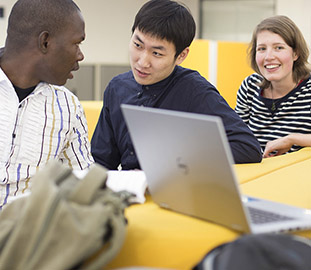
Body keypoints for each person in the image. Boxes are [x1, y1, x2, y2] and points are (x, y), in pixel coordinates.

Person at [91, 0, 262, 170]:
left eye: (157, 53)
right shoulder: (117, 88)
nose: (142, 62)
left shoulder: (195, 91)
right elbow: (102, 160)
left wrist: (177, 159)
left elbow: (247, 147)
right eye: (138, 45)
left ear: (181, 56)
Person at [0, 0, 94, 208]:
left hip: (31, 233)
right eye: (77, 43)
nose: (80, 55)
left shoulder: (69, 106)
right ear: (45, 42)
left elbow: (83, 183)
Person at [235, 15, 311, 158]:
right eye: (262, 49)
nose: (268, 56)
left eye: (279, 48)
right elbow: (236, 136)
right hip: (256, 175)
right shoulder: (250, 86)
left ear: (296, 53)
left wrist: (292, 139)